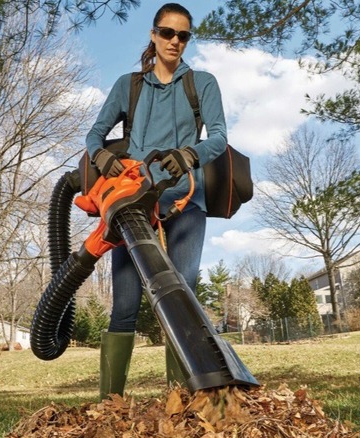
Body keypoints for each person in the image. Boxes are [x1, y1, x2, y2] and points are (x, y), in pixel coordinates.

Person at [85, 2, 228, 400]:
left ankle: (179, 403)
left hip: (185, 202)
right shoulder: (128, 86)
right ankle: (109, 406)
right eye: (168, 33)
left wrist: (188, 155)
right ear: (153, 34)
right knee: (125, 305)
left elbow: (218, 136)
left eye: (183, 35)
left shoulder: (202, 83)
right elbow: (94, 134)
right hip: (133, 206)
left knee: (183, 298)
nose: (175, 42)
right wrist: (103, 157)